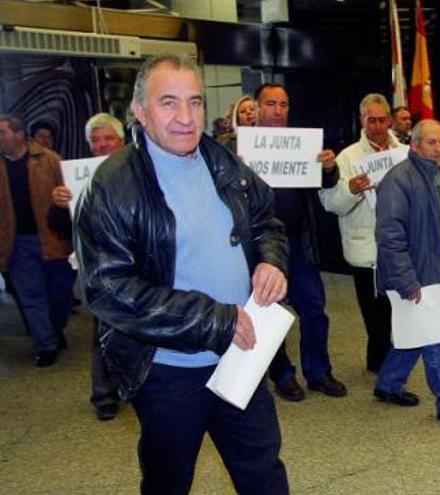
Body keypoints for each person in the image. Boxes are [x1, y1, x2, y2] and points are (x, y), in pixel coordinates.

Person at [74, 54, 290, 494]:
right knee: (168, 481)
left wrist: (270, 259)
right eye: (168, 102)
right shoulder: (112, 186)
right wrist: (216, 320)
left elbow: (267, 221)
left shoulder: (224, 163)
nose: (186, 118)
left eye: (195, 102)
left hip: (241, 359)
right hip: (168, 371)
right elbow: (110, 290)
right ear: (139, 111)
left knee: (263, 472)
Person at [374, 119, 440, 433]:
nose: (438, 148)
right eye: (431, 142)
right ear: (414, 145)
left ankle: (388, 384)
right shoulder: (398, 180)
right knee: (435, 340)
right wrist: (407, 281)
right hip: (415, 277)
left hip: (438, 272)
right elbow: (390, 236)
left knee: (416, 334)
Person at [256, 83, 348, 401]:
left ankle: (318, 372)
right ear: (256, 108)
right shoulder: (240, 146)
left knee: (313, 307)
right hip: (260, 247)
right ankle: (282, 375)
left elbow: (326, 181)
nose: (278, 111)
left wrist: (329, 166)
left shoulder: (302, 144)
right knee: (269, 312)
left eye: (283, 105)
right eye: (270, 104)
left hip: (298, 241)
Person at [50, 113, 125, 420]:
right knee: (102, 329)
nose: (101, 145)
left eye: (108, 138)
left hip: (139, 264)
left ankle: (137, 385)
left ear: (121, 141)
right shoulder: (77, 176)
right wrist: (57, 206)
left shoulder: (143, 171)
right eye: (95, 140)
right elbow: (61, 226)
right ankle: (104, 394)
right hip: (98, 266)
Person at [320, 93, 402, 372]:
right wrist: (351, 190)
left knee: (394, 309)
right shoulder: (348, 157)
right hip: (365, 247)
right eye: (371, 120)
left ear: (390, 120)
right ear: (361, 120)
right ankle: (382, 362)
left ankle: (380, 360)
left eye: (382, 120)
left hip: (399, 244)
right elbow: (331, 204)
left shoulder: (403, 152)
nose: (377, 126)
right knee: (374, 311)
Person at [0, 114, 74, 367]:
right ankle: (46, 344)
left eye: (2, 133)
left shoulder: (49, 160)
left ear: (19, 134)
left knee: (60, 294)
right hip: (16, 243)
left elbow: (70, 194)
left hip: (52, 239)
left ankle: (55, 329)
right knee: (31, 296)